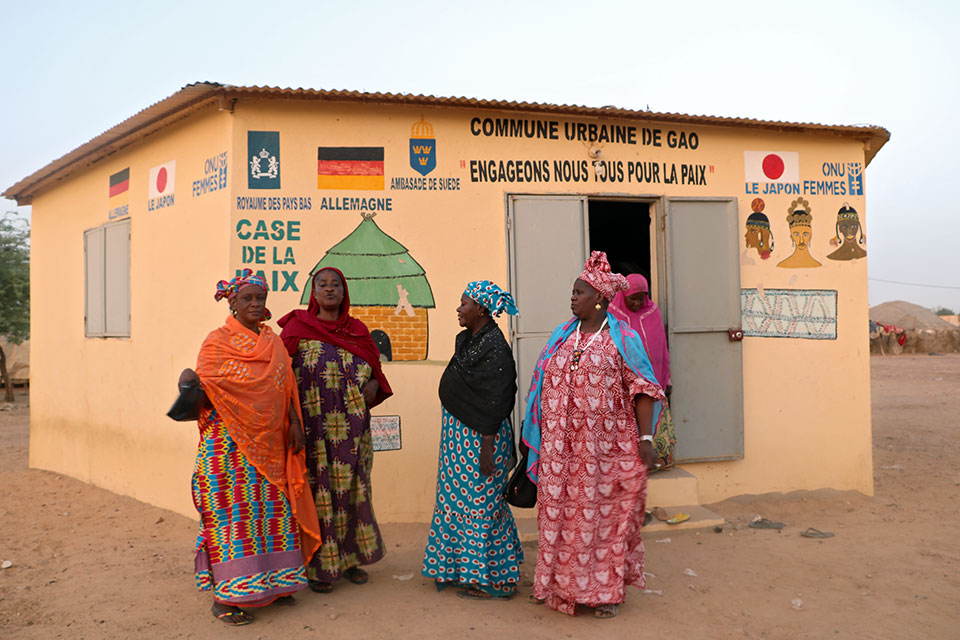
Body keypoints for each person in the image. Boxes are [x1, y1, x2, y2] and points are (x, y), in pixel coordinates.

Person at [521, 251, 663, 618]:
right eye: (572, 291)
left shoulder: (622, 339)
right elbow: (540, 387)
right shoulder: (561, 337)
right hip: (558, 454)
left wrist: (646, 440)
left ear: (599, 298)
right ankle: (557, 588)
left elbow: (644, 388)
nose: (572, 297)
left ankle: (605, 593)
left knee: (602, 521)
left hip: (602, 452)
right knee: (559, 519)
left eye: (579, 292)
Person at [180, 269, 322, 626]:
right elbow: (204, 394)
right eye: (248, 298)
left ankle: (275, 584)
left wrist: (293, 422)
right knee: (233, 519)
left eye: (260, 297)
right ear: (232, 302)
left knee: (271, 514)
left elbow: (286, 386)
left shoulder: (273, 342)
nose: (256, 304)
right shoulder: (216, 342)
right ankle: (227, 598)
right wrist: (187, 383)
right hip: (227, 447)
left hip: (272, 445)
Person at [277, 267, 393, 593]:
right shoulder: (298, 328)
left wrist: (372, 384)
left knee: (353, 491)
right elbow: (279, 375)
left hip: (353, 431)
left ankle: (351, 559)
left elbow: (376, 372)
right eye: (322, 285)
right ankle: (318, 566)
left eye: (335, 285)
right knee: (317, 493)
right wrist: (292, 422)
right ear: (313, 293)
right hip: (313, 431)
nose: (329, 290)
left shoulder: (357, 330)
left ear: (344, 293)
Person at [422, 280, 524, 599]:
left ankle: (489, 579)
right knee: (456, 502)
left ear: (481, 308)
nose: (458, 308)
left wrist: (488, 445)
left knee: (482, 504)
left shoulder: (495, 347)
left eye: (464, 303)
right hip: (457, 440)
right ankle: (457, 569)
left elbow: (498, 397)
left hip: (481, 440)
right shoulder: (469, 340)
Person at [610, 273, 676, 469]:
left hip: (652, 380)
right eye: (633, 299)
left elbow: (662, 347)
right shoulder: (614, 314)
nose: (638, 303)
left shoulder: (653, 311)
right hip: (626, 384)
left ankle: (654, 464)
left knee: (651, 422)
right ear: (623, 295)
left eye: (641, 298)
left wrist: (667, 378)